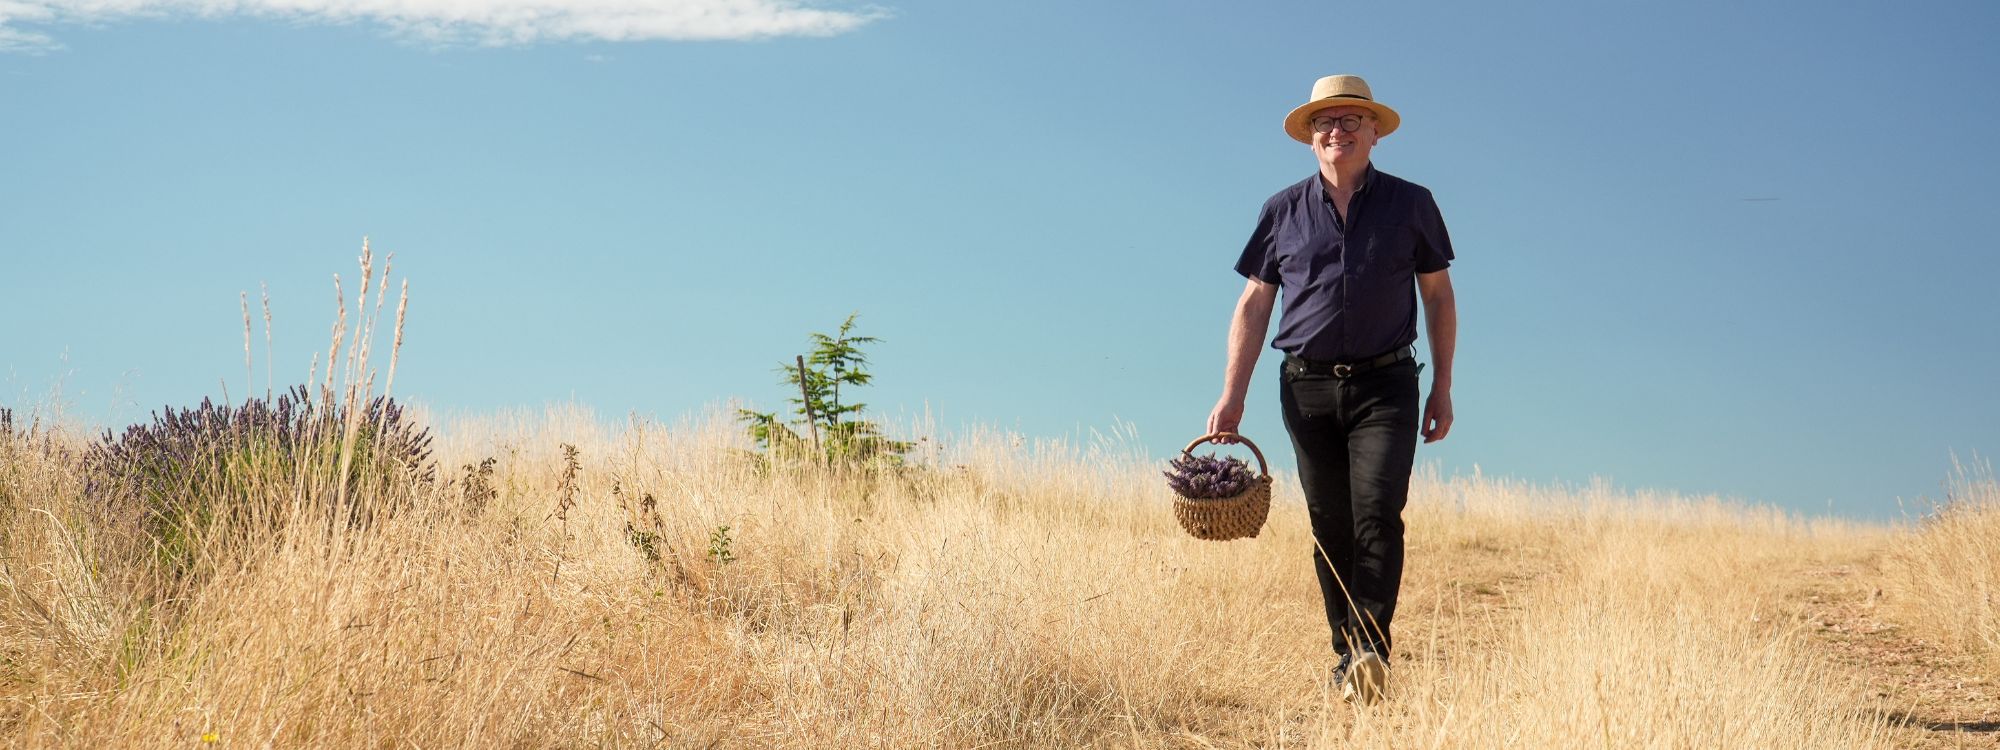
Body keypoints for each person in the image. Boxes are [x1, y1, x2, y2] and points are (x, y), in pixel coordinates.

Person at [1206, 74, 1458, 705]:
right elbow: (1254, 303)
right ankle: (1347, 655)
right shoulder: (1281, 211)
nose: (1336, 131)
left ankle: (1371, 648)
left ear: (1374, 132)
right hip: (1306, 389)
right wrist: (1232, 395)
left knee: (1377, 510)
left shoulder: (1413, 204)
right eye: (1325, 122)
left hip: (1387, 386)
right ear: (1311, 137)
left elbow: (1437, 295)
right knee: (1329, 523)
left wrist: (1443, 385)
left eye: (1350, 120)